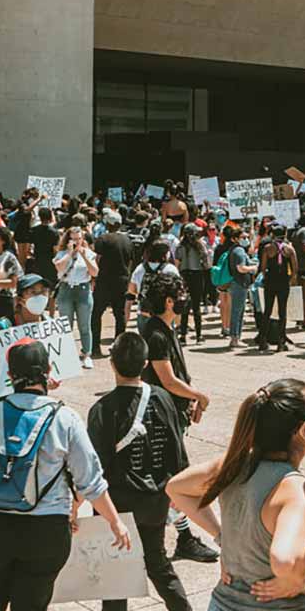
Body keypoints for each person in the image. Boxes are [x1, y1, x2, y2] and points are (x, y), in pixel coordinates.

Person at [0, 337, 131, 611]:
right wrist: (115, 522)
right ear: (49, 371)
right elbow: (91, 481)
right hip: (46, 532)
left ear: (9, 375)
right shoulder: (65, 418)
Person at [165, 379, 305, 611]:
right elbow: (284, 560)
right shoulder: (295, 489)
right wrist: (297, 579)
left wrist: (221, 536)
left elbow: (176, 488)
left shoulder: (234, 466)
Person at [86, 333, 199, 611]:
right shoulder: (163, 399)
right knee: (158, 564)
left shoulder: (101, 409)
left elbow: (93, 467)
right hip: (155, 499)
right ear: (146, 364)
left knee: (115, 579)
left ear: (112, 365)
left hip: (116, 505)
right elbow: (177, 452)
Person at [139, 271, 219, 565]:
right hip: (161, 418)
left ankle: (164, 535)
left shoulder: (164, 328)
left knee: (168, 478)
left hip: (171, 414)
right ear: (170, 301)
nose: (186, 299)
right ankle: (184, 537)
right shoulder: (157, 333)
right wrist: (198, 395)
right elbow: (168, 380)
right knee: (175, 479)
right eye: (181, 295)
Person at [54, 224, 99, 368]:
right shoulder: (62, 253)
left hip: (83, 290)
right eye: (73, 239)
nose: (76, 242)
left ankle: (87, 354)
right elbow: (59, 267)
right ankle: (66, 354)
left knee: (85, 325)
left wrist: (84, 256)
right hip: (66, 289)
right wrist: (70, 253)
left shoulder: (89, 253)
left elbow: (94, 272)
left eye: (78, 239)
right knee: (66, 325)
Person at [93, 209, 133, 357]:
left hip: (104, 280)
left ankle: (95, 346)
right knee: (119, 314)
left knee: (96, 313)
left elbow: (97, 260)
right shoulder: (128, 240)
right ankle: (119, 347)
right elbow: (130, 261)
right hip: (122, 280)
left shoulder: (103, 239)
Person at [258, 225, 298, 353]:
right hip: (283, 282)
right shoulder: (289, 249)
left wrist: (265, 276)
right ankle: (281, 342)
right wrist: (290, 279)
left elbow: (263, 267)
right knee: (282, 311)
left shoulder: (267, 248)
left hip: (270, 280)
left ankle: (263, 340)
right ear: (285, 234)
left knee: (267, 310)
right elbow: (295, 268)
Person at [176, 224, 211, 344]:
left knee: (185, 305)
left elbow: (177, 262)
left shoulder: (180, 246)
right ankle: (198, 335)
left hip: (184, 276)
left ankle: (183, 335)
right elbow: (207, 263)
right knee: (196, 306)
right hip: (197, 275)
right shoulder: (200, 245)